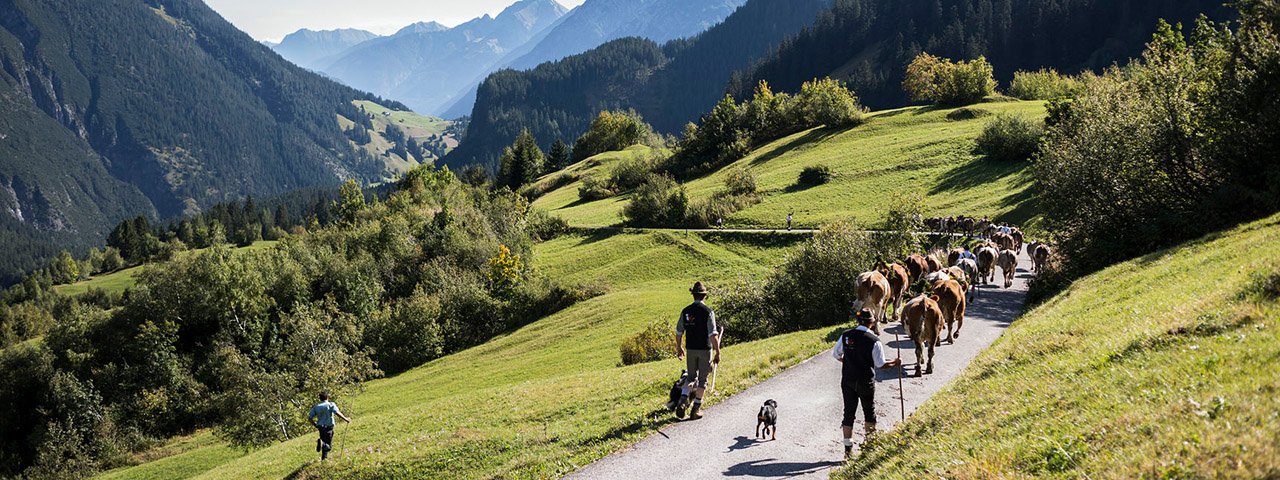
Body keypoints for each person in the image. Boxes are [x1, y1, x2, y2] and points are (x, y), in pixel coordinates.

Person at [831, 309, 901, 458]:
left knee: (848, 413)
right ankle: (869, 447)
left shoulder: (846, 335)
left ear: (858, 321)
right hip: (865, 381)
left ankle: (848, 450)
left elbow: (836, 354)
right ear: (872, 322)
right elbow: (880, 364)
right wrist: (894, 363)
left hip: (848, 380)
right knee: (869, 411)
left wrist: (848, 361)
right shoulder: (874, 341)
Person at [675, 281, 721, 420]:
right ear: (704, 296)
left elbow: (678, 332)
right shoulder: (708, 312)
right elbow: (713, 334)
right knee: (702, 380)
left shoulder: (686, 311)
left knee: (690, 377)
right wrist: (718, 352)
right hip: (704, 349)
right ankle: (695, 409)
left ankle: (683, 400)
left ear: (693, 295)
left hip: (691, 349)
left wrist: (679, 347)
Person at [308, 391, 351, 461]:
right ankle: (322, 444)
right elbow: (337, 413)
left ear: (320, 398)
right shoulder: (331, 405)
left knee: (324, 444)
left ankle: (324, 460)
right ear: (327, 397)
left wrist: (315, 425)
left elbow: (309, 418)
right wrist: (346, 419)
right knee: (328, 446)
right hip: (328, 427)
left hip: (320, 427)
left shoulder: (316, 407)